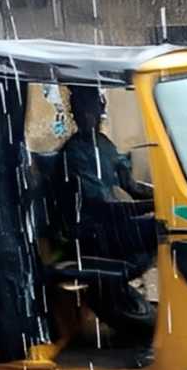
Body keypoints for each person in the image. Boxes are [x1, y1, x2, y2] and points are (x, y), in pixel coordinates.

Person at [55, 86, 157, 336]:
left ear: (101, 109)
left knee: (168, 225)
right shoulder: (75, 153)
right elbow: (101, 206)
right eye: (81, 109)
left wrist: (161, 194)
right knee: (160, 228)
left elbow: (130, 186)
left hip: (111, 224)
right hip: (92, 232)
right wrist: (150, 207)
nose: (87, 114)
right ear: (74, 113)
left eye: (91, 107)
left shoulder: (104, 145)